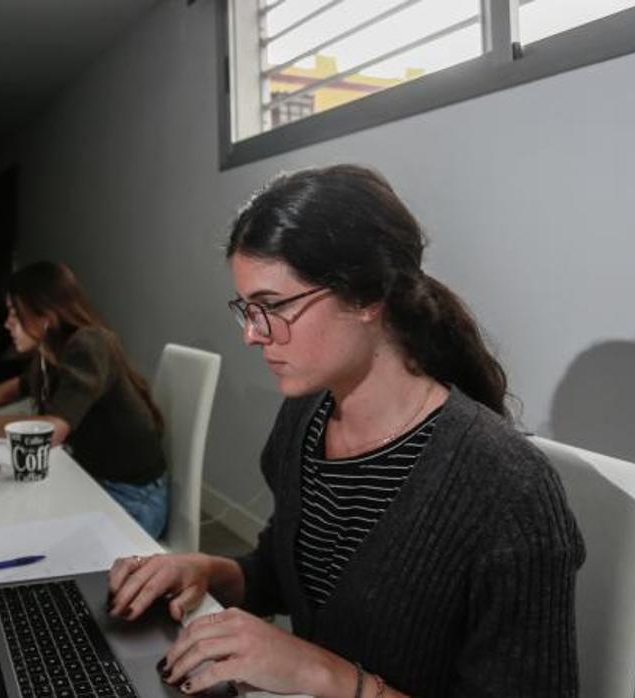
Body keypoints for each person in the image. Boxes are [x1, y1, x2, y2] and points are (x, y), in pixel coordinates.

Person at [106, 165, 584, 697]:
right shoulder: (304, 420)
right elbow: (285, 573)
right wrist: (208, 571)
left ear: (368, 295)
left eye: (273, 306)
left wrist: (323, 674)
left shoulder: (508, 489)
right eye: (247, 309)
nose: (251, 335)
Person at [0, 261, 170, 538]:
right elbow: (26, 383)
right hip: (95, 479)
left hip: (131, 499)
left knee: (19, 528)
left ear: (45, 315)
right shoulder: (58, 347)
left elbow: (52, 430)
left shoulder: (89, 344)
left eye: (15, 313)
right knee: (9, 509)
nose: (7, 323)